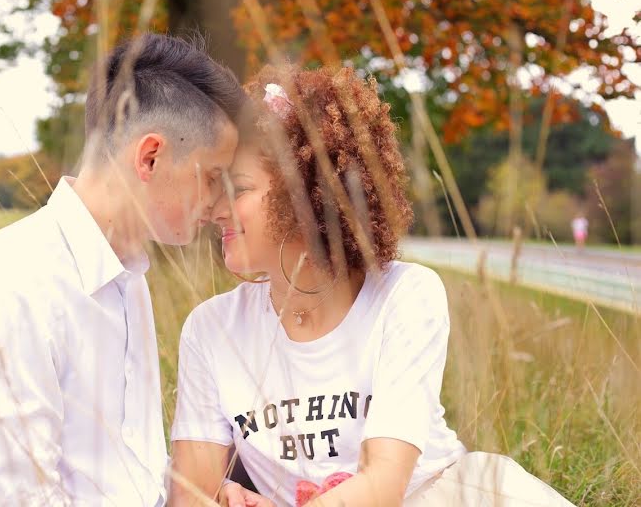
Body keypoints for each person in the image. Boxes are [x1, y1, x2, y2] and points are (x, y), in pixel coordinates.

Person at [169, 63, 575, 507]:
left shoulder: (405, 295)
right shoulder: (210, 329)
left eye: (239, 188)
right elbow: (189, 496)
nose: (213, 208)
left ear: (305, 195)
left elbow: (384, 486)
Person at [0, 33, 245, 506]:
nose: (222, 204)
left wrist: (201, 496)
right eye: (213, 177)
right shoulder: (11, 288)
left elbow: (120, 478)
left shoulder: (127, 278)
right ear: (150, 157)